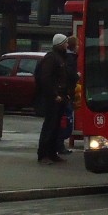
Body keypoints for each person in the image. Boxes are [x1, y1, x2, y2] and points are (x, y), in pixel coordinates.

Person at [35, 33, 69, 164]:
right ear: (60, 44)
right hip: (53, 99)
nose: (67, 45)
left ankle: (52, 153)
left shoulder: (59, 57)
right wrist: (55, 95)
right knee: (49, 126)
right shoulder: (52, 58)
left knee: (55, 127)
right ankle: (43, 154)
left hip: (59, 97)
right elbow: (45, 78)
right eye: (65, 43)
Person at [58, 39, 79, 155]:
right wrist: (77, 76)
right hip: (67, 94)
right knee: (66, 119)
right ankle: (60, 145)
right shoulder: (71, 58)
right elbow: (70, 75)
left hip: (66, 93)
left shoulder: (66, 57)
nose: (79, 47)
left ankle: (59, 144)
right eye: (77, 45)